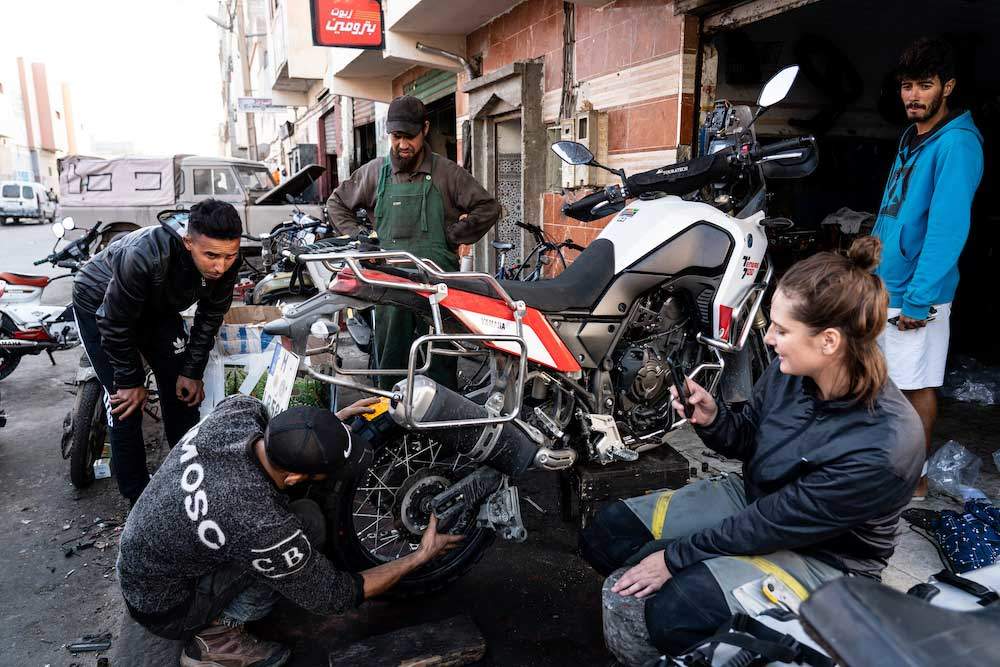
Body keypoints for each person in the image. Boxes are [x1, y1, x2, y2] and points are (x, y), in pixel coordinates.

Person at [579, 238, 924, 664]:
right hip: (757, 499)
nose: (770, 338)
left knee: (675, 611)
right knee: (609, 533)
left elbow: (772, 525)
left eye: (781, 329)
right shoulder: (791, 373)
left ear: (829, 341)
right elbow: (748, 440)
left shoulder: (884, 446)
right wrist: (714, 419)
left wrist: (675, 557)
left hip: (828, 558)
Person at [117, 395, 461, 666]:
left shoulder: (236, 413)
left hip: (145, 559)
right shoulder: (260, 523)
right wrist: (420, 556)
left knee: (298, 519)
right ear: (294, 477)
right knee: (307, 523)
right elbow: (336, 596)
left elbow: (285, 430)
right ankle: (218, 640)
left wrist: (327, 427)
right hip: (167, 606)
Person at [326, 95, 501, 389]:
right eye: (396, 137)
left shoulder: (448, 173)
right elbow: (336, 203)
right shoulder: (374, 173)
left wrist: (453, 235)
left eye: (410, 137)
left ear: (425, 129)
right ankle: (390, 425)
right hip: (390, 289)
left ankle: (440, 427)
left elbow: (489, 208)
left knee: (437, 363)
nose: (402, 145)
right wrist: (360, 238)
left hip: (436, 289)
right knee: (391, 365)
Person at [73, 199, 242, 504]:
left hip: (157, 306)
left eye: (229, 255)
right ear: (188, 241)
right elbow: (113, 321)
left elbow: (210, 317)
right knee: (124, 403)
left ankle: (186, 478)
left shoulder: (228, 261)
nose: (220, 266)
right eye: (211, 255)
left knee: (184, 391)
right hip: (100, 304)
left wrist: (191, 372)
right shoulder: (144, 255)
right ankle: (138, 495)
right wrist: (128, 380)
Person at [873, 37, 984, 498]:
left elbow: (946, 229)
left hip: (919, 294)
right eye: (906, 86)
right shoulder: (914, 136)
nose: (913, 96)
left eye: (924, 85)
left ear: (948, 87)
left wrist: (919, 298)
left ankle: (913, 480)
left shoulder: (957, 144)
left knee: (913, 390)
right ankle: (888, 471)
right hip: (887, 286)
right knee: (885, 385)